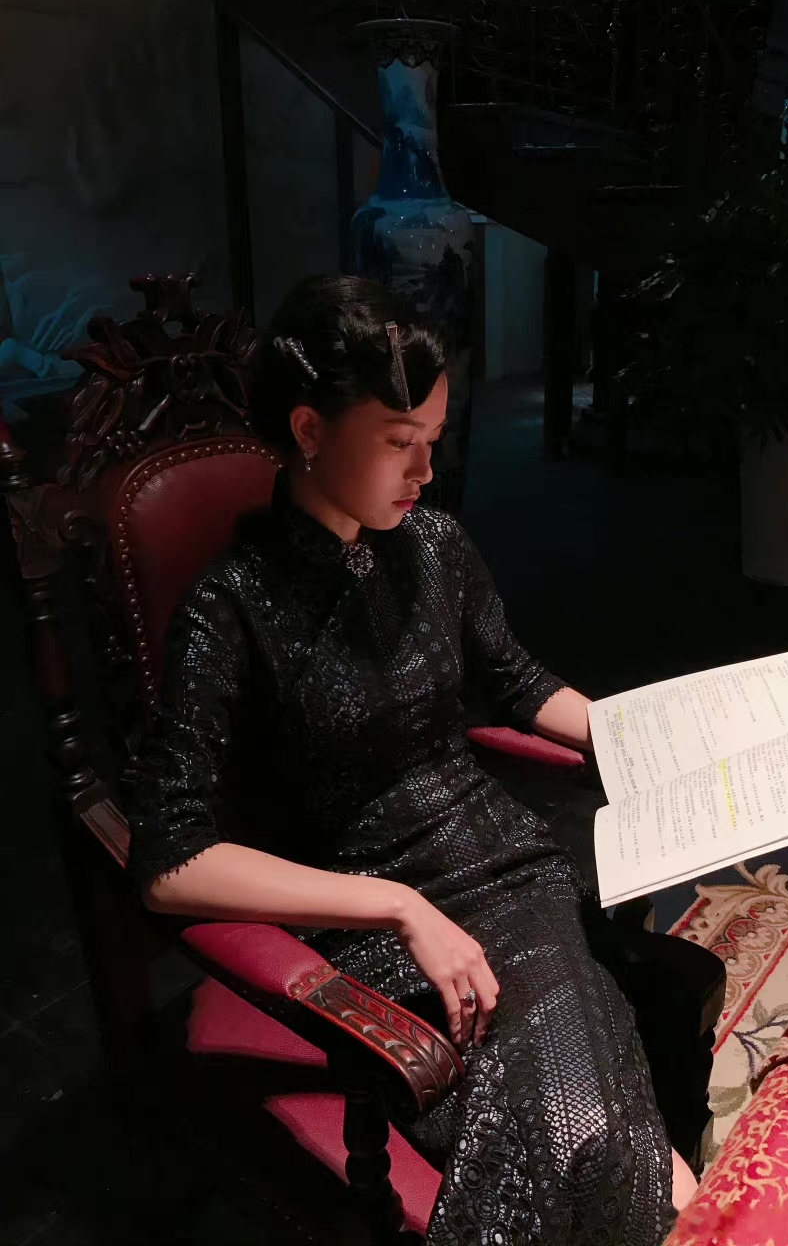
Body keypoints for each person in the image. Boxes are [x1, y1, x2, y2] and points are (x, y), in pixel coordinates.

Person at [125, 275, 698, 1245]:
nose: (427, 470)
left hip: (507, 872)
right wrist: (398, 905)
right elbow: (169, 860)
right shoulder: (233, 605)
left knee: (595, 1130)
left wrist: (658, 742)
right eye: (401, 441)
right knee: (599, 1138)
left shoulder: (433, 545)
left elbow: (517, 680)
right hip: (364, 916)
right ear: (310, 429)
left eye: (434, 438)